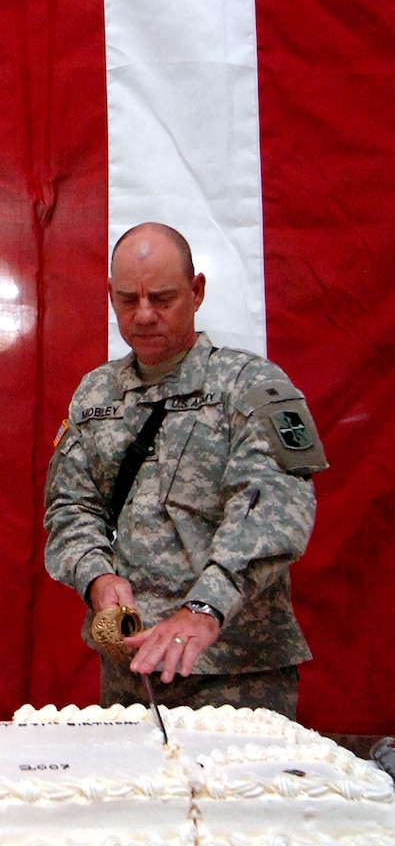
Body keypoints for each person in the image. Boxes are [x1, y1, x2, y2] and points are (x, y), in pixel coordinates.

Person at [44, 223, 327, 718]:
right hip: (132, 674)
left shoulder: (249, 385)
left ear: (196, 291)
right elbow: (71, 508)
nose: (145, 314)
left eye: (162, 297)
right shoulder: (95, 395)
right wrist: (97, 578)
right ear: (110, 296)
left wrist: (204, 608)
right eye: (128, 299)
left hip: (237, 677)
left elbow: (274, 509)